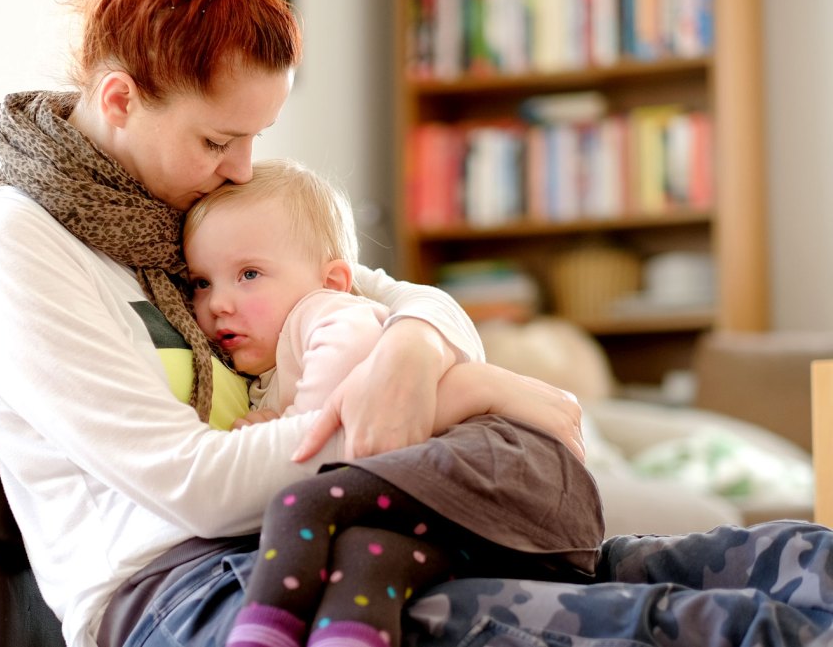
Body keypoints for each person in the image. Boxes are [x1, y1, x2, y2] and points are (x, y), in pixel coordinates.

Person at [0, 0, 833, 646]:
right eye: (220, 138)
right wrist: (444, 400)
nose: (244, 166)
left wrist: (411, 353)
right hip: (193, 586)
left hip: (356, 524)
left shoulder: (188, 210)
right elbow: (191, 484)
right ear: (121, 98)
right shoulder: (18, 246)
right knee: (677, 627)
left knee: (757, 559)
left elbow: (400, 297)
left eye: (256, 138)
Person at [182, 158, 604, 647]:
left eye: (249, 274)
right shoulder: (269, 355)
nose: (218, 303)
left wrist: (291, 421)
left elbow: (349, 354)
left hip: (504, 462)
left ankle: (263, 634)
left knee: (300, 505)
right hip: (496, 519)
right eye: (201, 283)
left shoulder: (321, 311)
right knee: (368, 550)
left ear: (335, 280)